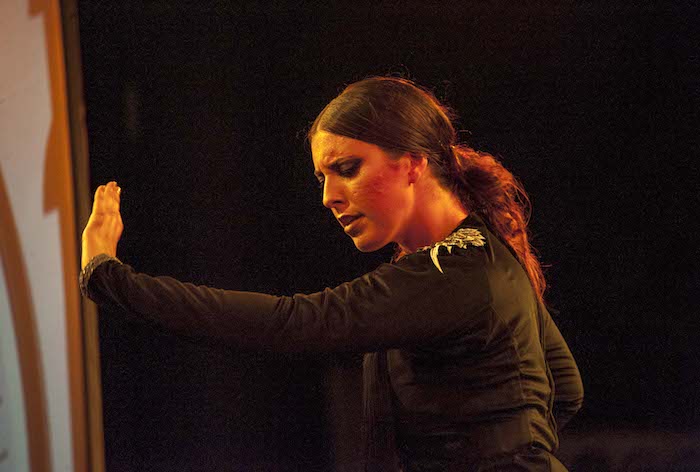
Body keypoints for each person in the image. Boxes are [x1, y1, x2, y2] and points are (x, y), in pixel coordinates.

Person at [80, 77, 583, 471]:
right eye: (322, 177)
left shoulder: (450, 271)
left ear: (412, 164)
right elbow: (565, 386)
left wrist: (111, 277)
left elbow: (294, 323)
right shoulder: (484, 257)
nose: (328, 197)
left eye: (347, 169)